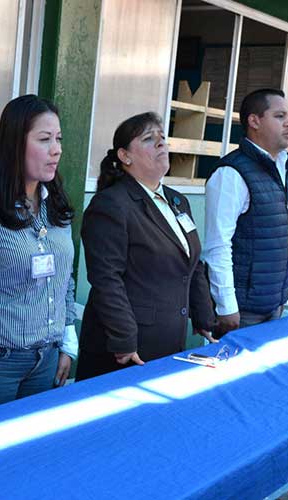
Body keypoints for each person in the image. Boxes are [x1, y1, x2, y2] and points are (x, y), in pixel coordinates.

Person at [76, 112, 215, 380]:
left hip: (170, 339)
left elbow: (192, 265)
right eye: (150, 139)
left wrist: (204, 317)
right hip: (127, 350)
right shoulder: (112, 204)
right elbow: (106, 279)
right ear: (125, 156)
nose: (162, 143)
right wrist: (125, 339)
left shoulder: (177, 201)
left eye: (163, 138)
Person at [0, 95, 77, 408]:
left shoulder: (56, 205)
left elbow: (66, 278)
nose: (57, 149)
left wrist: (68, 341)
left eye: (58, 139)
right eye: (44, 139)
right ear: (14, 144)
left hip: (47, 359)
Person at [203, 88, 288, 335]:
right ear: (254, 121)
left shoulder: (283, 169)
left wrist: (280, 295)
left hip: (274, 304)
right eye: (279, 116)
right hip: (242, 311)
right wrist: (226, 305)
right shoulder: (231, 173)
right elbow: (217, 245)